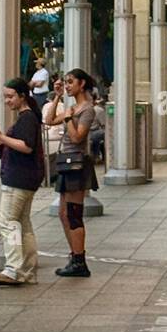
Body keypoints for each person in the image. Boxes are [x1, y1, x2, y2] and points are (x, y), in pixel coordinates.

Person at [0, 77, 44, 286]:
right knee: (22, 224)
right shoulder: (28, 117)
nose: (7, 101)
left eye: (10, 96)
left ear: (22, 96)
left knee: (8, 223)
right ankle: (26, 269)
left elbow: (26, 146)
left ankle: (13, 269)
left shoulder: (27, 118)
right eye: (5, 97)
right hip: (26, 178)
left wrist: (1, 138)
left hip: (18, 178)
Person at [54, 68, 98, 279]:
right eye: (66, 82)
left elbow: (78, 137)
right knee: (63, 213)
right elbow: (48, 119)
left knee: (73, 213)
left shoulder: (86, 110)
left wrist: (68, 119)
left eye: (71, 82)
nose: (68, 85)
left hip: (76, 165)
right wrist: (56, 97)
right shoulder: (73, 108)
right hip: (65, 163)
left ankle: (80, 260)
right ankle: (74, 256)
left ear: (82, 84)